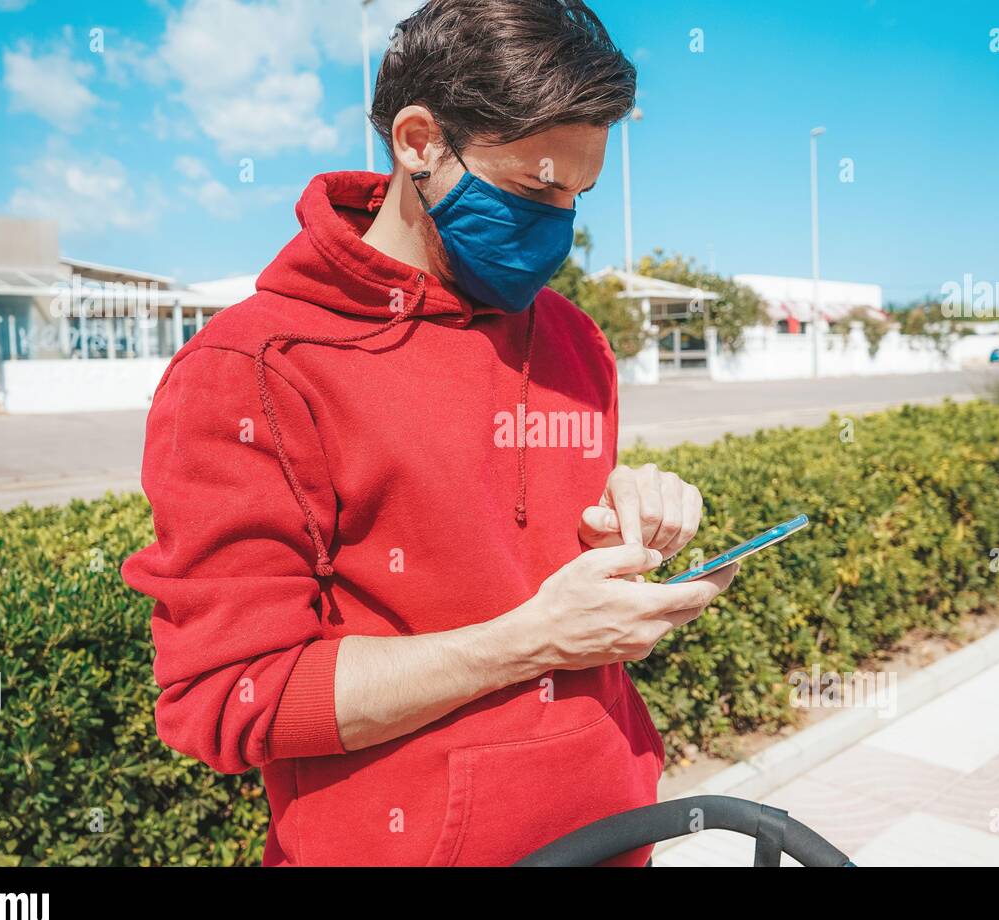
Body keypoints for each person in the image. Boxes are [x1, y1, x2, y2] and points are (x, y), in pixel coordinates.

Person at [122, 0, 736, 866]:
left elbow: (525, 548)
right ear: (419, 142)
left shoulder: (573, 340)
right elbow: (233, 695)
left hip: (618, 841)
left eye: (577, 195)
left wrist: (626, 506)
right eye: (534, 188)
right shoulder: (253, 365)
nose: (559, 226)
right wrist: (532, 640)